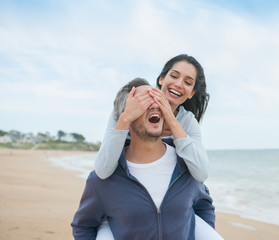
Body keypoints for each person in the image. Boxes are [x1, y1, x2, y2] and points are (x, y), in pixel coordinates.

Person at [71, 81, 215, 240]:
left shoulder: (186, 165)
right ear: (126, 115)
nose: (154, 106)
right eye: (143, 103)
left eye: (158, 101)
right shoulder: (104, 179)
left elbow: (204, 207)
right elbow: (83, 227)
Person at [95, 54, 210, 183]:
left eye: (187, 82)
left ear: (191, 93)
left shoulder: (187, 121)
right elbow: (102, 171)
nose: (178, 84)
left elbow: (201, 174)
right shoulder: (133, 102)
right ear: (161, 79)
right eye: (174, 76)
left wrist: (171, 118)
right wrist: (126, 118)